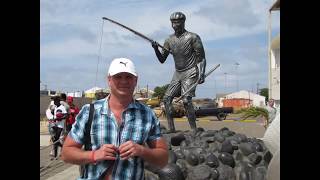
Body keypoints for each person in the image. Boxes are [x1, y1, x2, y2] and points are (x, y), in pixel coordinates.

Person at [61, 57, 168, 180]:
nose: (123, 81)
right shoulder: (89, 112)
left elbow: (163, 159)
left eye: (128, 77)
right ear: (109, 80)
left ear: (135, 80)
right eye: (118, 77)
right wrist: (95, 155)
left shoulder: (147, 115)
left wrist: (142, 150)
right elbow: (66, 153)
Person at [151, 12, 206, 132]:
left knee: (186, 100)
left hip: (191, 71)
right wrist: (156, 49)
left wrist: (201, 74)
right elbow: (162, 59)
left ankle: (193, 130)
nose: (175, 25)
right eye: (173, 22)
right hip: (178, 73)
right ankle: (171, 129)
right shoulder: (169, 40)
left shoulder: (193, 37)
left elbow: (201, 58)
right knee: (166, 99)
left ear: (183, 22)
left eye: (178, 22)